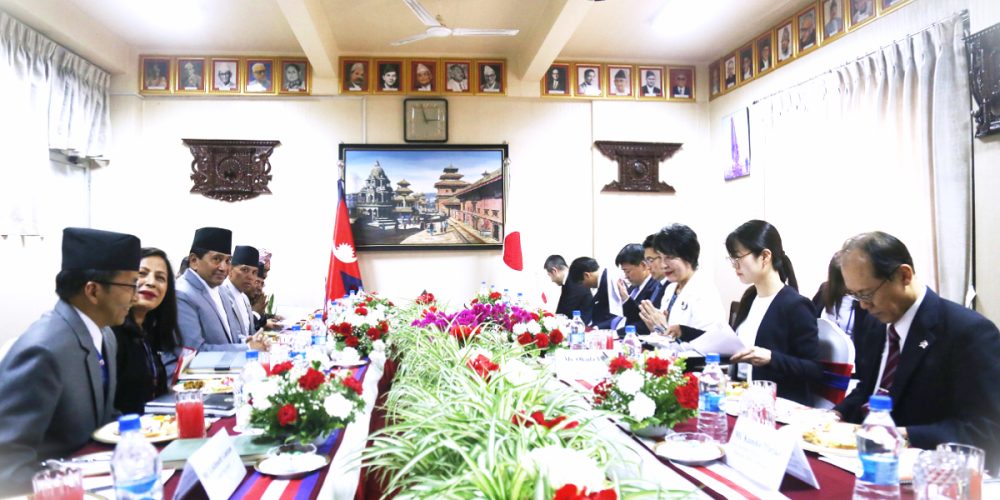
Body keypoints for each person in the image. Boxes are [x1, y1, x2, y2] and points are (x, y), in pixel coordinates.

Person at [833, 232, 1000, 472]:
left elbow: (987, 430)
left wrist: (903, 435)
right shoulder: (875, 323)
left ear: (904, 275)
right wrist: (834, 416)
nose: (863, 305)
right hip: (860, 461)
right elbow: (868, 390)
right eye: (856, 295)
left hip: (926, 473)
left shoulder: (967, 332)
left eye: (867, 294)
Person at [0, 228, 140, 494]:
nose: (136, 295)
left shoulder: (105, 334)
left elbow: (104, 420)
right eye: (131, 284)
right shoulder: (43, 351)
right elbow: (6, 463)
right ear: (93, 291)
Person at [726, 220, 822, 406]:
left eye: (738, 258)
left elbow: (814, 369)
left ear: (764, 256)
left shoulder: (796, 305)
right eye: (732, 259)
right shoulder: (750, 297)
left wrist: (771, 358)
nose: (734, 266)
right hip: (741, 400)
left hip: (778, 406)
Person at [113, 247, 180, 415]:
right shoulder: (111, 333)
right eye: (142, 274)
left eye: (160, 278)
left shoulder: (150, 331)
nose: (151, 282)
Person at [176, 227, 259, 352]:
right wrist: (246, 347)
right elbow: (193, 352)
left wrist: (248, 341)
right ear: (194, 261)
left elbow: (231, 336)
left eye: (227, 260)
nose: (223, 267)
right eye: (216, 259)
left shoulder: (221, 291)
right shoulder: (182, 294)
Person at [638, 224, 725, 342]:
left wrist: (664, 328)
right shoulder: (671, 289)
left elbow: (709, 342)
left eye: (669, 257)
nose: (663, 265)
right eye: (661, 257)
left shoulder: (704, 291)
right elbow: (665, 335)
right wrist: (656, 329)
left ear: (688, 256)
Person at [812, 253, 868, 359]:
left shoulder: (864, 300)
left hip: (852, 363)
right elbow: (810, 320)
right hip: (821, 358)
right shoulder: (824, 290)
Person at [613, 243, 658, 336]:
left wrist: (616, 334)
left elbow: (644, 325)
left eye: (628, 271)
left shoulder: (655, 288)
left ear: (643, 266)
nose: (626, 276)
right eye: (624, 271)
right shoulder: (633, 287)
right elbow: (626, 316)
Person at [221, 245, 259, 340]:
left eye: (254, 272)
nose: (250, 277)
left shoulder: (244, 298)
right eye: (245, 270)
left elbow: (250, 333)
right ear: (230, 270)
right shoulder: (220, 294)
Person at [641, 233, 669, 308]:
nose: (648, 267)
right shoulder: (656, 285)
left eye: (650, 260)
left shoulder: (675, 286)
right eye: (646, 261)